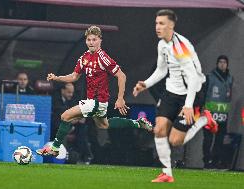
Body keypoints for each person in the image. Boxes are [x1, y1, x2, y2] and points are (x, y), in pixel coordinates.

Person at [36, 25, 152, 156]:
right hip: (94, 102)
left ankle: (55, 148)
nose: (91, 42)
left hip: (97, 101)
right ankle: (137, 123)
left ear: (100, 40)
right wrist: (57, 78)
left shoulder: (103, 57)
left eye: (94, 39)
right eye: (89, 39)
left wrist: (120, 98)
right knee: (104, 125)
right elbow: (74, 76)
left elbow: (121, 75)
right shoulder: (84, 57)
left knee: (65, 116)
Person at [133, 9, 218, 182]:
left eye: (162, 23)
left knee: (176, 140)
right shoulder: (162, 44)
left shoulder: (181, 48)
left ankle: (204, 119)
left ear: (171, 25)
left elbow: (193, 78)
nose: (158, 27)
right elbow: (162, 69)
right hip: (172, 93)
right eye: (156, 23)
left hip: (193, 94)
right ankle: (167, 174)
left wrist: (188, 105)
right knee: (159, 130)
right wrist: (146, 84)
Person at [203, 55, 233, 168]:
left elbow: (229, 96)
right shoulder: (210, 77)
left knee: (219, 140)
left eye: (224, 62)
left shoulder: (230, 78)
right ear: (217, 64)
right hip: (210, 114)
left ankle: (215, 161)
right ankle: (207, 161)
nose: (222, 64)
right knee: (208, 139)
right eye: (220, 62)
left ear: (227, 64)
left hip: (223, 115)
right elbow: (204, 94)